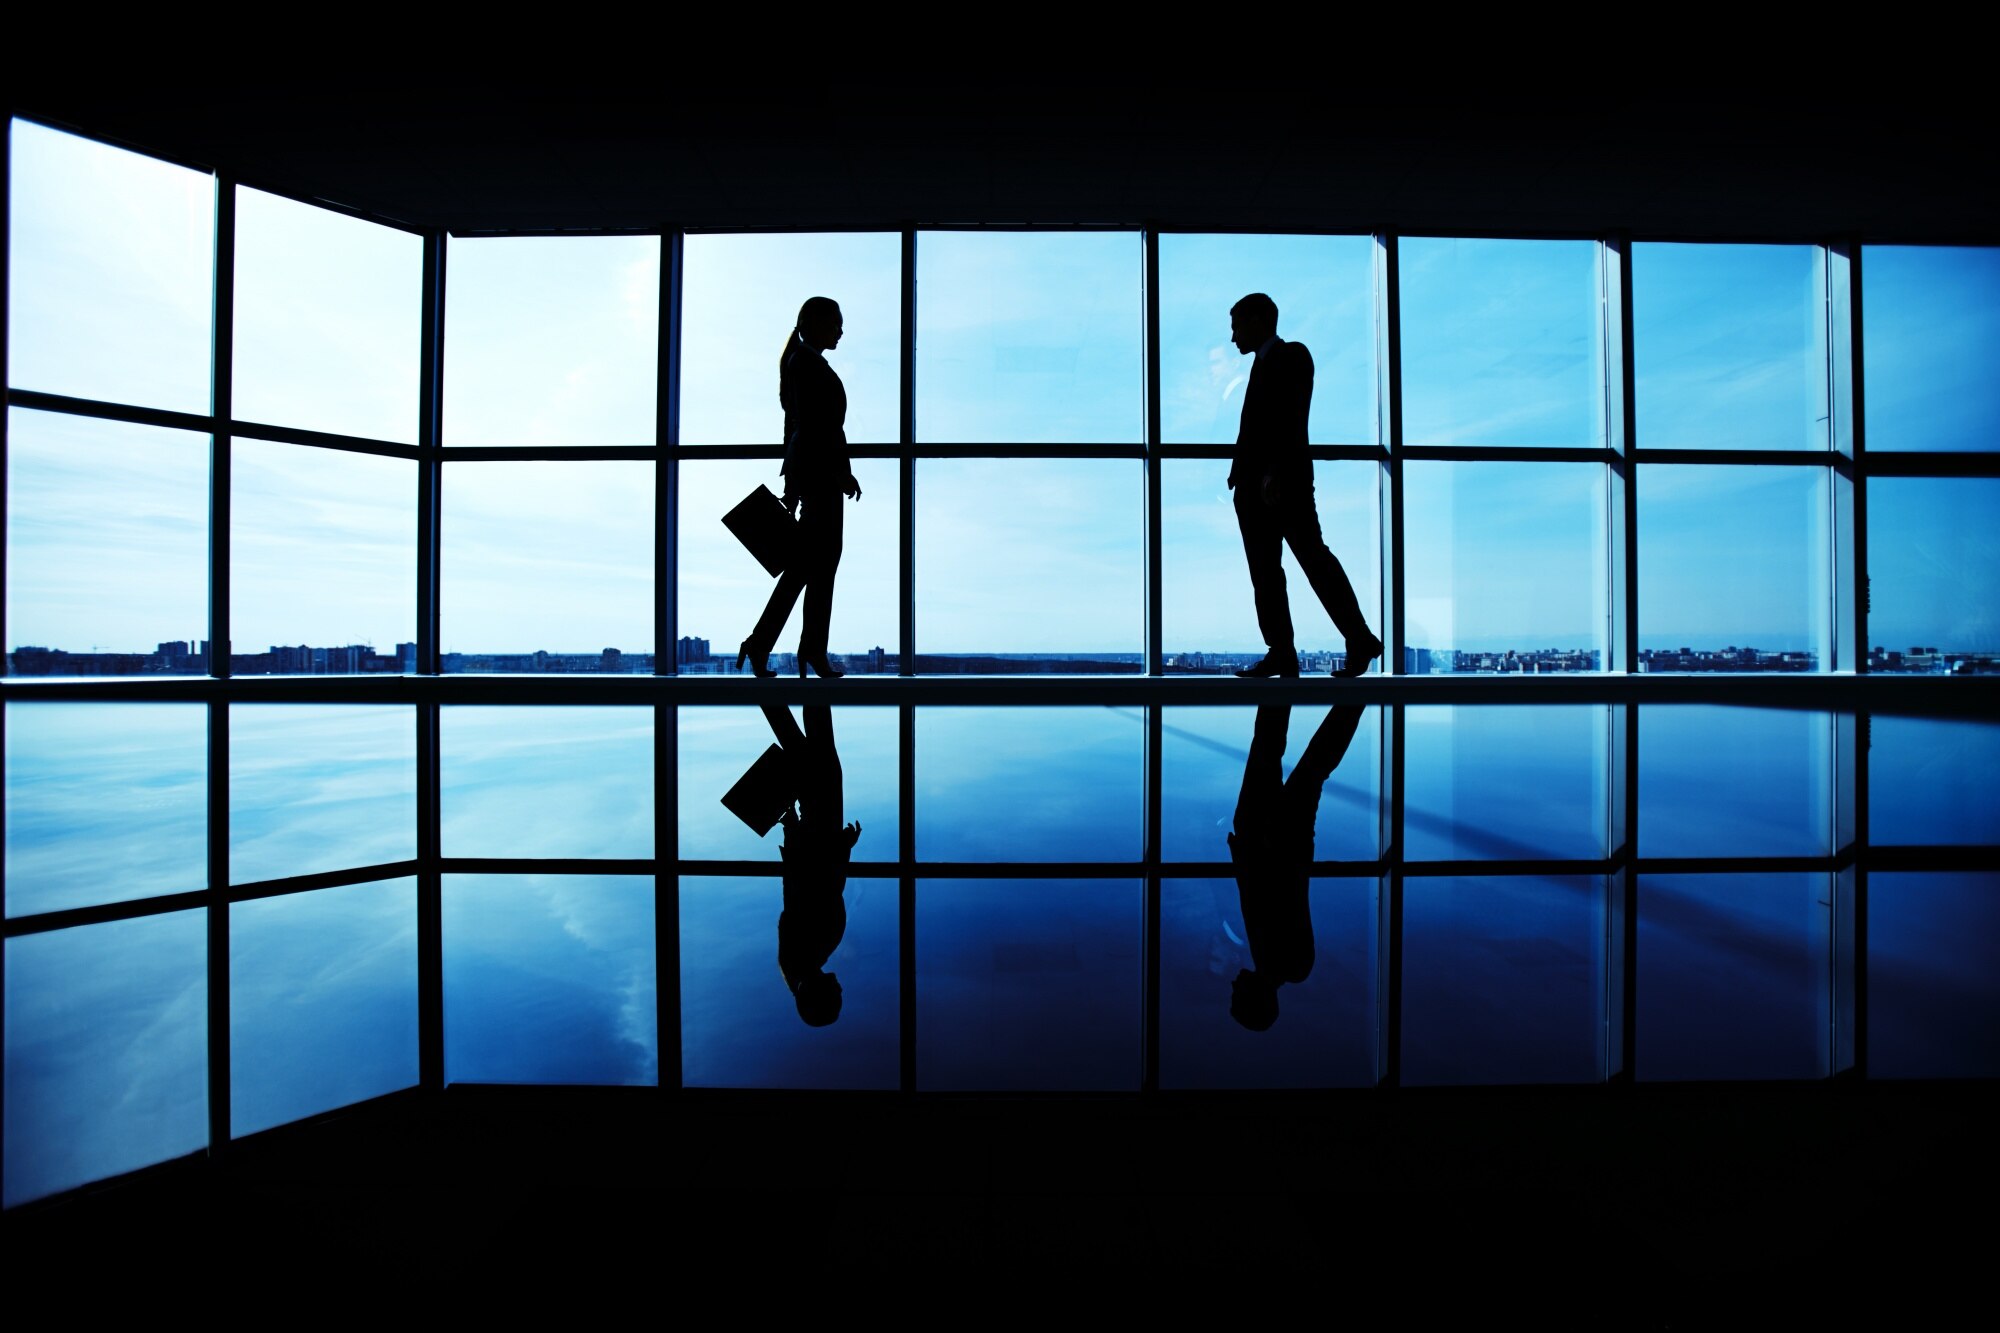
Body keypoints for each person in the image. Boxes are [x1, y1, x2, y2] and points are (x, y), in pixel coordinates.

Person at [1225, 293, 1383, 679]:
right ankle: (1287, 650)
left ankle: (1346, 640)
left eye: (1237, 326)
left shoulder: (1291, 356)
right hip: (1262, 485)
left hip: (1281, 483)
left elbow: (1289, 419)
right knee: (1275, 570)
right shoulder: (1265, 365)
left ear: (1260, 320)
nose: (1233, 338)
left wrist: (1272, 472)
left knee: (1306, 562)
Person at [737, 297, 863, 679]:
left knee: (809, 566)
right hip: (820, 476)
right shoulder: (805, 364)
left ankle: (773, 645)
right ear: (814, 322)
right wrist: (838, 473)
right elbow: (811, 428)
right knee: (817, 565)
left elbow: (797, 428)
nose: (840, 330)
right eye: (835, 322)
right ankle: (801, 648)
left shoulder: (802, 362)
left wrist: (796, 481)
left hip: (812, 474)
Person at [1227, 703, 1367, 1031]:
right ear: (1256, 999)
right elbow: (1273, 893)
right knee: (1287, 755)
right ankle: (1345, 690)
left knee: (1299, 762)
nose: (1233, 987)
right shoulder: (1287, 963)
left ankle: (1344, 691)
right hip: (1273, 838)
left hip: (1274, 839)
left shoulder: (1285, 964)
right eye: (1237, 997)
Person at [763, 705, 860, 1027]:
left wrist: (839, 847)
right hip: (818, 835)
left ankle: (794, 685)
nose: (842, 989)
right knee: (811, 752)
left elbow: (812, 887)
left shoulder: (805, 953)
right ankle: (788, 684)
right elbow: (804, 889)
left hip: (819, 831)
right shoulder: (798, 960)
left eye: (837, 996)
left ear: (819, 995)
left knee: (819, 759)